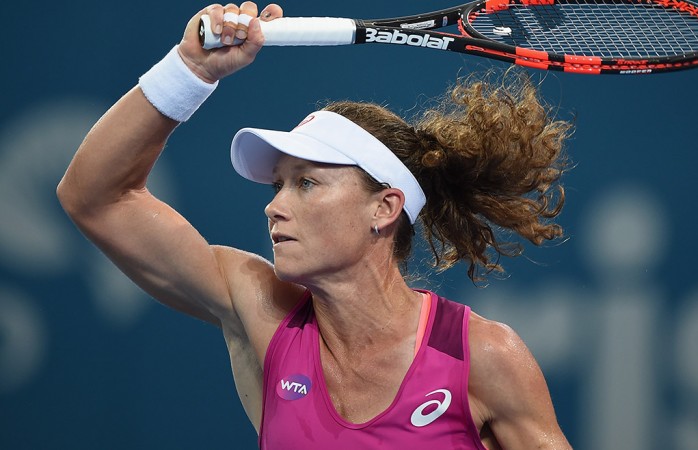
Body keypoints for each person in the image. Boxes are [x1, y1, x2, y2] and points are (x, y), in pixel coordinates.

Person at [57, 2, 573, 449]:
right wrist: (190, 70)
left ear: (384, 208)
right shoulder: (260, 311)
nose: (274, 207)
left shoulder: (480, 356)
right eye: (277, 185)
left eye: (305, 183)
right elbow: (97, 198)